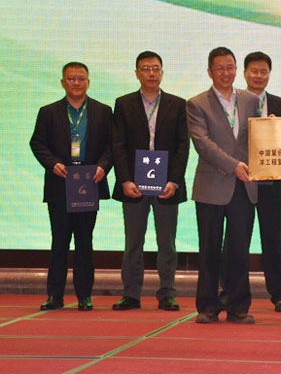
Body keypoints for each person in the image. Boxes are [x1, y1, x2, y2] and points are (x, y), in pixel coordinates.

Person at [30, 62, 112, 311]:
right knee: (59, 241)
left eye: (81, 78)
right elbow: (37, 143)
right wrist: (52, 163)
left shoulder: (103, 111)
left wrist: (103, 166)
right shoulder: (48, 112)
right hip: (60, 182)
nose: (77, 83)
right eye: (71, 78)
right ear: (63, 82)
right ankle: (54, 295)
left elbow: (112, 146)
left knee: (85, 241)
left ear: (89, 82)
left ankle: (84, 295)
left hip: (89, 182)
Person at [111, 51, 189, 311]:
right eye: (145, 69)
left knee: (167, 243)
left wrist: (174, 181)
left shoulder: (178, 104)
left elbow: (183, 146)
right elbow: (118, 145)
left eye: (156, 68)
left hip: (166, 185)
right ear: (137, 74)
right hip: (134, 184)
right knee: (133, 242)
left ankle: (167, 293)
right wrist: (124, 180)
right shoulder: (124, 104)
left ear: (162, 73)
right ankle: (131, 294)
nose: (151, 73)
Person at [187, 47, 259, 324]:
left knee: (240, 249)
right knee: (210, 249)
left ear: (236, 70)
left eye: (230, 67)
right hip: (212, 185)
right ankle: (208, 306)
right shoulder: (197, 104)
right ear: (210, 72)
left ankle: (238, 306)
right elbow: (202, 143)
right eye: (220, 68)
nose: (226, 73)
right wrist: (233, 166)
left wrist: (271, 129)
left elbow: (257, 137)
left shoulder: (250, 100)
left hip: (244, 186)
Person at [242, 51, 281, 312]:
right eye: (254, 71)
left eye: (264, 71)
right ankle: (232, 291)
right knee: (238, 238)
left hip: (271, 181)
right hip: (241, 179)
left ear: (269, 74)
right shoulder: (234, 103)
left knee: (274, 238)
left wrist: (277, 131)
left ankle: (280, 293)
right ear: (244, 74)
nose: (259, 76)